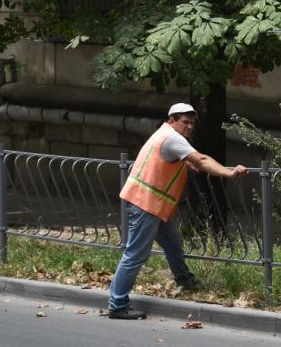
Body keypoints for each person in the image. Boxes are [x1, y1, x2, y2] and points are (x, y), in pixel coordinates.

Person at [106, 103, 248, 320]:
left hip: (150, 204)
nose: (189, 127)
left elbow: (172, 161)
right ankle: (117, 304)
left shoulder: (162, 134)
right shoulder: (172, 138)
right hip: (146, 204)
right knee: (135, 255)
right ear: (172, 120)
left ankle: (185, 280)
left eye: (192, 123)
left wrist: (186, 164)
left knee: (173, 243)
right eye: (185, 122)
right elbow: (200, 159)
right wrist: (229, 173)